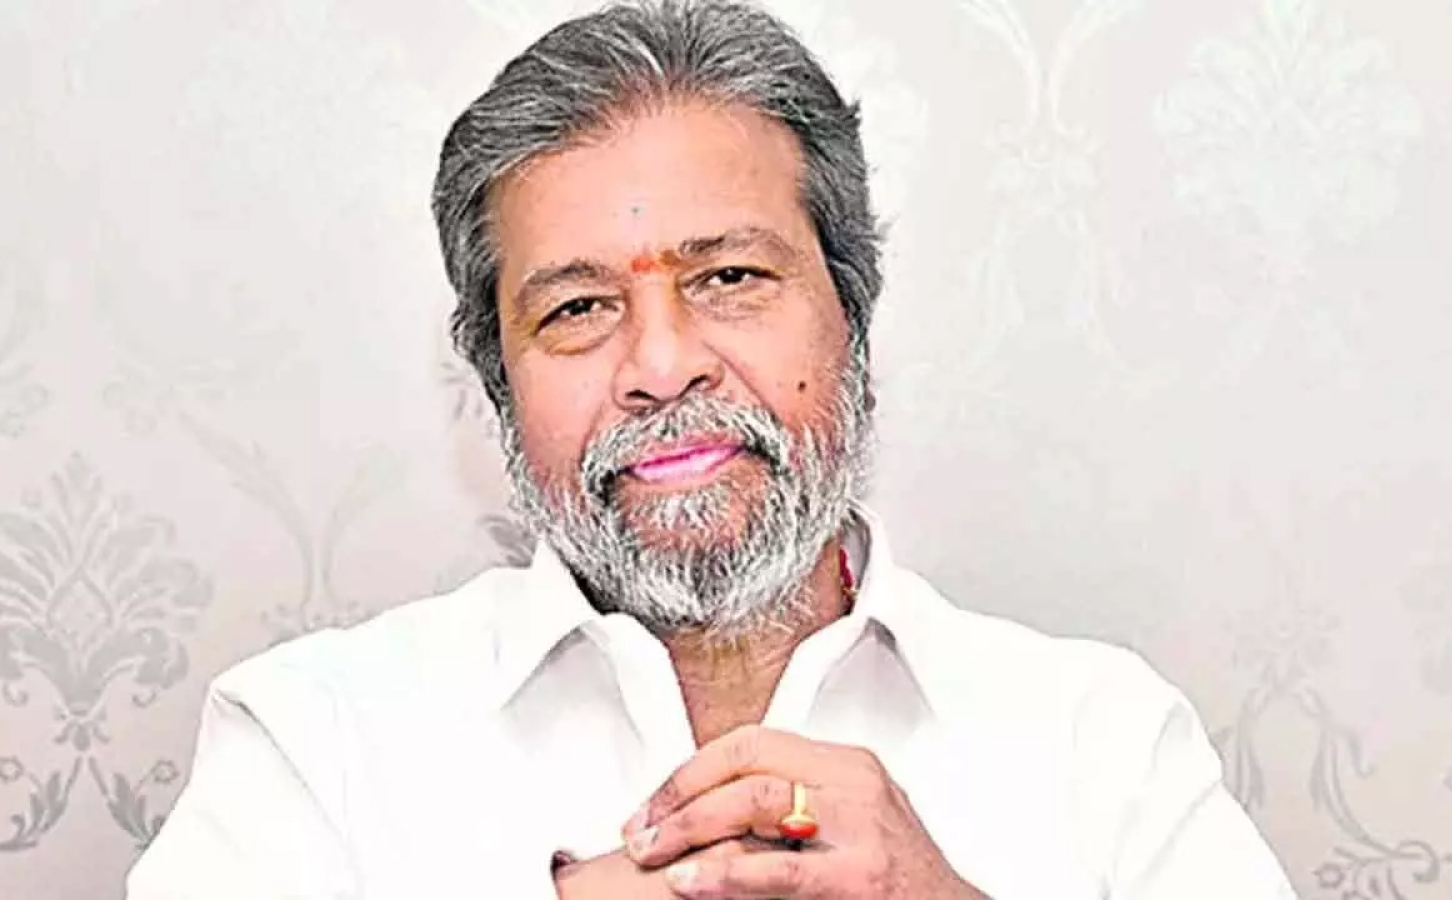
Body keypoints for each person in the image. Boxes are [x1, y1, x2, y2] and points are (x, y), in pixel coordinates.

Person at [127, 1, 1297, 897]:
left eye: (729, 277)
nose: (662, 363)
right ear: (498, 382)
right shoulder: (312, 744)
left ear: (852, 315)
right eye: (577, 308)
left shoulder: (1103, 740)